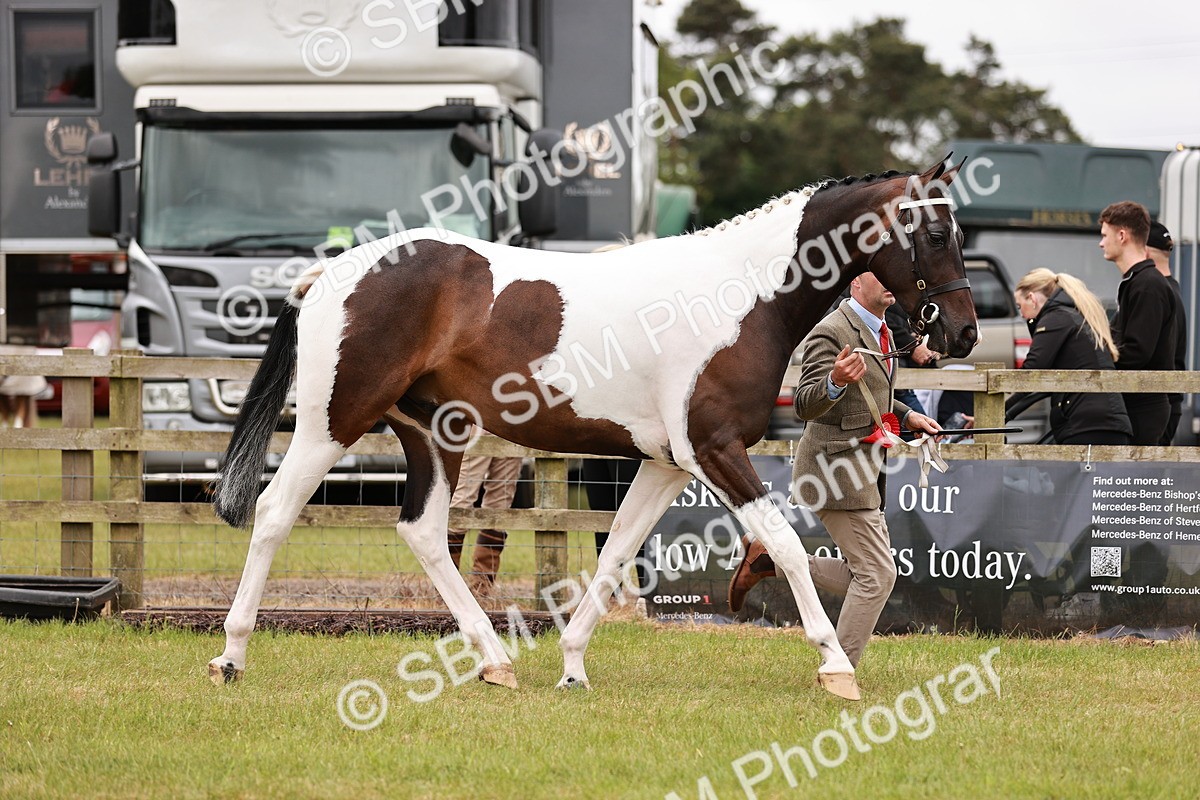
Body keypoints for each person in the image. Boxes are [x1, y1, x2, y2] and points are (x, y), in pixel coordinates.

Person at [728, 272, 940, 669]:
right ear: (857, 281)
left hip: (864, 471)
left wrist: (910, 417)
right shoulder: (831, 330)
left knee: (870, 574)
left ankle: (769, 558)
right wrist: (834, 381)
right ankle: (839, 668)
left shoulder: (883, 332)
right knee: (876, 577)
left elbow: (879, 398)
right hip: (834, 471)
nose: (893, 276)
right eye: (882, 270)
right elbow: (804, 405)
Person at [1006, 268, 1133, 445]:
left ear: (1032, 299)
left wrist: (994, 415)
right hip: (1103, 424)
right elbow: (1040, 385)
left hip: (1087, 425)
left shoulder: (1055, 319)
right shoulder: (1072, 317)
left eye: (1020, 306)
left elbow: (1030, 374)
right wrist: (1004, 415)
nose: (1021, 315)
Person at [1099, 201, 1179, 445]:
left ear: (1122, 236)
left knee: (1135, 482)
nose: (1101, 243)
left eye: (1104, 235)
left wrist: (1100, 358)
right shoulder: (1137, 282)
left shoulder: (1147, 285)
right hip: (1136, 403)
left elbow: (1137, 352)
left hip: (1144, 407)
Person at [447, 453, 523, 593]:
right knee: (461, 504)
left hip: (515, 436)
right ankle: (446, 587)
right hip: (479, 432)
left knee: (499, 508)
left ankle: (482, 587)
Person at [1146, 221, 1187, 445]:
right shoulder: (1173, 289)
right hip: (1168, 403)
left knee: (1144, 480)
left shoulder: (1157, 292)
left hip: (1160, 404)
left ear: (1144, 250)